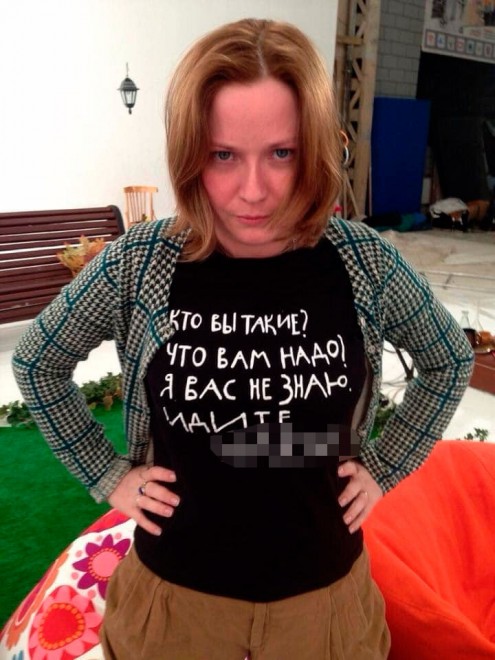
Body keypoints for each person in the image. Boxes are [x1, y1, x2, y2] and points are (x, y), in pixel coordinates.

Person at [13, 18, 473, 660]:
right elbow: (37, 361)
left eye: (281, 153)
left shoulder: (362, 260)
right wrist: (108, 475)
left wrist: (384, 467)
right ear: (189, 153)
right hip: (175, 611)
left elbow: (449, 359)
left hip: (324, 613)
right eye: (222, 154)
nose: (253, 191)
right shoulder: (141, 262)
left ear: (314, 149)